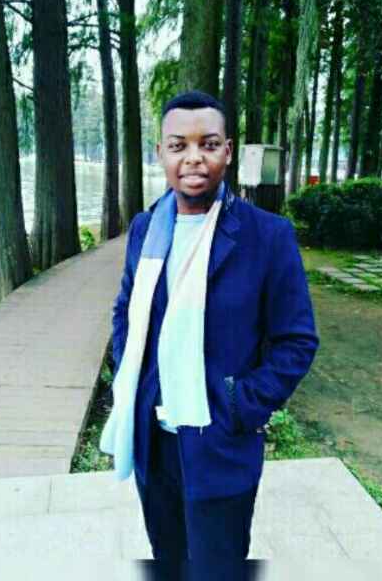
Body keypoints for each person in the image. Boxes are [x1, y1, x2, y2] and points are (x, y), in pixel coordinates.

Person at [99, 90, 320, 580]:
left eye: (209, 143)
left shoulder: (267, 236)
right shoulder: (145, 229)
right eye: (179, 145)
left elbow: (297, 341)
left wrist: (240, 404)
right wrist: (131, 379)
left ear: (228, 151)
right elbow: (125, 312)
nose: (194, 157)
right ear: (161, 152)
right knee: (169, 562)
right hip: (153, 442)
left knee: (217, 569)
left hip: (219, 442)